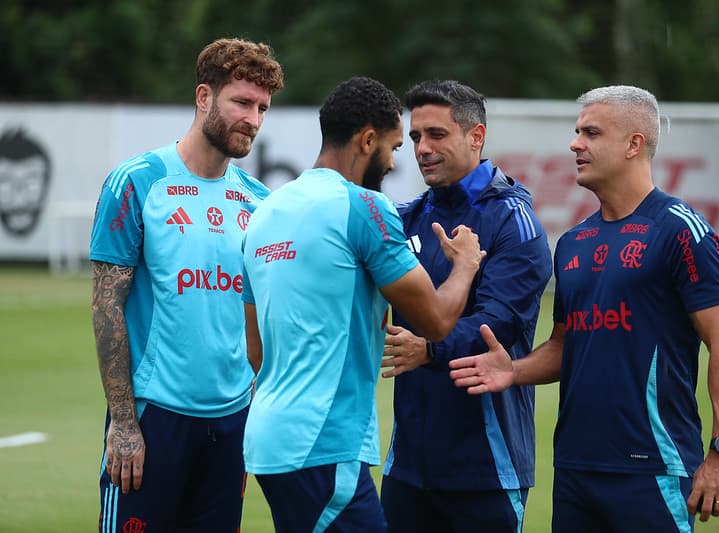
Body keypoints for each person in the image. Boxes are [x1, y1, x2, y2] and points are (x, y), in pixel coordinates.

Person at [450, 85, 719, 532]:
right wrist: (514, 370)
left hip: (653, 468)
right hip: (574, 469)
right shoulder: (572, 243)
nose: (575, 143)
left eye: (590, 133)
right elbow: (566, 345)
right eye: (576, 132)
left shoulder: (680, 230)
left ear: (634, 144)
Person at [240, 76, 486, 533]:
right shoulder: (366, 207)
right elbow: (434, 320)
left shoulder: (264, 214)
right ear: (367, 139)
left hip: (269, 439)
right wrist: (466, 265)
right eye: (394, 147)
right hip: (324, 442)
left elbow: (255, 351)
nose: (395, 162)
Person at [89, 37, 283, 532]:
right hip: (156, 419)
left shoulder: (260, 203)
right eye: (242, 102)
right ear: (204, 97)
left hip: (232, 423)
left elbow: (260, 317)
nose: (254, 120)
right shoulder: (137, 181)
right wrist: (125, 423)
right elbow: (107, 306)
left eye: (262, 108)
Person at [378, 79, 552, 533]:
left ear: (476, 137)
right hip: (407, 467)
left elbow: (501, 322)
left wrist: (430, 350)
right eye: (416, 136)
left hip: (487, 467)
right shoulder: (407, 217)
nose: (422, 148)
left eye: (437, 134)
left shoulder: (514, 221)